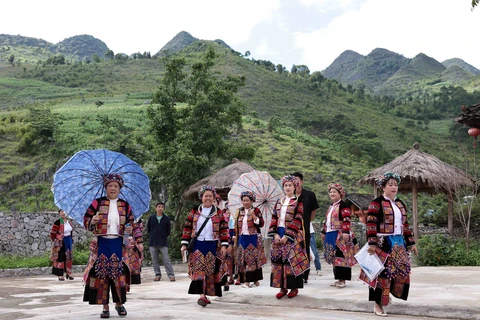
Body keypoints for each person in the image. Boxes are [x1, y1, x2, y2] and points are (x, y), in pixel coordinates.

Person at [83, 173, 143, 318]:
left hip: (118, 243)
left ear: (120, 188)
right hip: (102, 242)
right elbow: (86, 219)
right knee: (102, 274)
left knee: (118, 274)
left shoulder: (125, 205)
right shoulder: (97, 203)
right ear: (105, 187)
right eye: (110, 185)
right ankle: (105, 307)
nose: (113, 188)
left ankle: (119, 304)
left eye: (116, 186)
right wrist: (93, 220)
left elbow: (131, 222)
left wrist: (129, 228)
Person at [365, 172, 418, 317]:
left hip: (399, 243)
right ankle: (378, 304)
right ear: (383, 187)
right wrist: (372, 243)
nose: (394, 187)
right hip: (383, 243)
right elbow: (370, 223)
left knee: (400, 272)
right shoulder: (376, 203)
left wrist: (411, 243)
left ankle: (388, 296)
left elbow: (405, 225)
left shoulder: (400, 204)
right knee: (382, 274)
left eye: (396, 185)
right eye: (390, 184)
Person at [180, 185, 229, 307]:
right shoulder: (194, 211)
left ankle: (206, 293)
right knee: (199, 269)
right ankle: (201, 295)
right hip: (198, 244)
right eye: (205, 196)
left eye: (210, 196)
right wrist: (184, 244)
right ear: (201, 197)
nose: (207, 198)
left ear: (213, 198)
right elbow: (187, 227)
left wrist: (224, 245)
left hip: (213, 244)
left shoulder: (218, 212)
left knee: (210, 270)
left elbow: (224, 229)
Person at [268, 175, 309, 299]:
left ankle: (293, 287)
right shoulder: (279, 202)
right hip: (278, 232)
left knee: (291, 261)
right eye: (285, 185)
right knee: (279, 260)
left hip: (292, 235)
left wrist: (287, 235)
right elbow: (274, 217)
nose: (287, 187)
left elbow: (297, 219)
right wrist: (274, 233)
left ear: (295, 187)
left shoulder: (298, 203)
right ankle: (282, 287)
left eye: (290, 185)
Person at [321, 183, 358, 288]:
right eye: (330, 192)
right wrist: (324, 232)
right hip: (330, 233)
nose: (332, 194)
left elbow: (346, 218)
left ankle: (342, 280)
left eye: (334, 192)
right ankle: (338, 278)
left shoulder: (343, 205)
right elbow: (327, 221)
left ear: (340, 193)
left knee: (341, 256)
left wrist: (346, 232)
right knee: (333, 257)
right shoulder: (331, 206)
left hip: (340, 234)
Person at [234, 191, 267, 288]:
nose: (245, 202)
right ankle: (252, 280)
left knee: (252, 259)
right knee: (243, 259)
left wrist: (253, 216)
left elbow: (261, 224)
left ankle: (249, 281)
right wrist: (235, 236)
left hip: (252, 238)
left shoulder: (256, 211)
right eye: (243, 200)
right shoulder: (239, 211)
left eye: (247, 200)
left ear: (252, 201)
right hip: (242, 238)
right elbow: (236, 225)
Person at [291, 172, 319, 284]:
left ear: (302, 182)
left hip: (304, 227)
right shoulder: (289, 196)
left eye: (298, 180)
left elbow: (313, 211)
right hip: (291, 229)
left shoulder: (310, 195)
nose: (296, 182)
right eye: (293, 180)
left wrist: (306, 222)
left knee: (304, 249)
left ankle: (304, 275)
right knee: (292, 250)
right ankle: (293, 272)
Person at [146, 202, 175, 282]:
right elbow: (149, 229)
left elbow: (168, 231)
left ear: (163, 208)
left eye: (162, 207)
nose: (160, 208)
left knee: (166, 260)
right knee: (155, 260)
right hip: (153, 242)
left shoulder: (166, 219)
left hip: (163, 242)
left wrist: (163, 236)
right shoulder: (151, 218)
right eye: (159, 207)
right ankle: (157, 274)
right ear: (156, 208)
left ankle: (171, 275)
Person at [50, 209, 74, 281]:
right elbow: (52, 233)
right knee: (60, 257)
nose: (63, 213)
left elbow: (71, 231)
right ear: (59, 213)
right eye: (61, 211)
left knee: (68, 257)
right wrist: (56, 240)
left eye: (65, 211)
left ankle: (69, 273)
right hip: (60, 242)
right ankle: (60, 274)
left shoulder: (69, 221)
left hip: (68, 240)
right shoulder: (58, 222)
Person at [124, 218, 144, 286]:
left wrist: (140, 242)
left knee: (132, 263)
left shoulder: (132, 215)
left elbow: (136, 229)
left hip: (130, 242)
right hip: (115, 241)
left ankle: (128, 282)